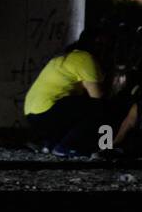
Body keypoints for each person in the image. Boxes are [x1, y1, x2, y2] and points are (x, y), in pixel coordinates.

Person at [23, 29, 108, 158]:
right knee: (97, 108)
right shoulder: (85, 59)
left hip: (32, 113)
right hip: (48, 112)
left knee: (76, 104)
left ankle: (50, 144)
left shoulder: (67, 57)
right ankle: (69, 146)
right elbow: (97, 97)